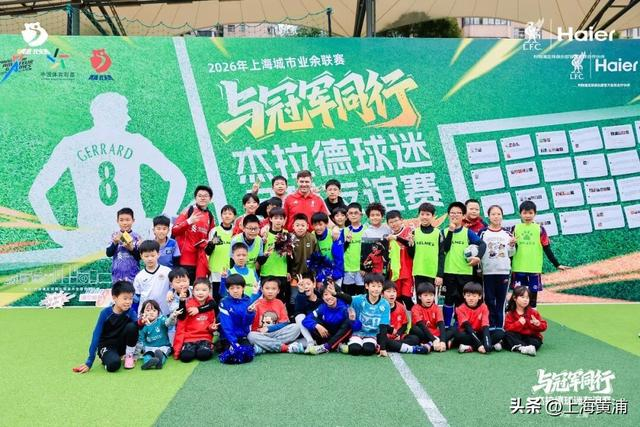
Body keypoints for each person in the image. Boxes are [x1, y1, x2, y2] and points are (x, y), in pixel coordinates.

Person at [510, 201, 570, 308]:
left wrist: (557, 264)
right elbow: (510, 249)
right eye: (524, 213)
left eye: (530, 213)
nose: (527, 216)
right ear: (520, 214)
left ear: (535, 214)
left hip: (534, 268)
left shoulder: (540, 230)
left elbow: (547, 248)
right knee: (518, 295)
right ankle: (517, 315)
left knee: (532, 295)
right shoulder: (515, 228)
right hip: (518, 267)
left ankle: (533, 314)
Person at [73, 280, 139, 373]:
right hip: (107, 346)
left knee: (133, 326)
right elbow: (96, 336)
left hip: (122, 345)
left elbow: (137, 329)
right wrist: (89, 361)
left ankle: (129, 356)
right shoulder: (105, 313)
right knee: (114, 365)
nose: (128, 302)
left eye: (130, 298)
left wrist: (142, 322)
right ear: (114, 298)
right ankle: (107, 358)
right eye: (125, 298)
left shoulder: (131, 312)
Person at [441, 201, 486, 327]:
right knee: (448, 299)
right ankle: (446, 326)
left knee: (462, 300)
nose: (455, 215)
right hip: (449, 272)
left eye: (458, 213)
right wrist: (451, 231)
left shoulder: (467, 232)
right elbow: (445, 248)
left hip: (465, 273)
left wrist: (478, 257)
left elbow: (482, 244)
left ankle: (459, 324)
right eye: (452, 213)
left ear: (463, 216)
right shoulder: (443, 232)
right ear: (448, 215)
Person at [478, 205, 515, 329]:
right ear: (488, 216)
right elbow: (477, 250)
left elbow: (511, 253)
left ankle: (500, 328)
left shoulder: (507, 234)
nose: (496, 216)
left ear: (502, 216)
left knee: (501, 301)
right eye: (493, 214)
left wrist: (512, 245)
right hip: (487, 272)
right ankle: (490, 327)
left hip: (503, 272)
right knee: (488, 300)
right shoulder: (483, 233)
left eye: (499, 214)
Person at [248, 277, 304, 354]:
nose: (270, 291)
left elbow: (284, 323)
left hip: (276, 333)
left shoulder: (279, 303)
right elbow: (248, 314)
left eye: (273, 289)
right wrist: (254, 296)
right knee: (251, 336)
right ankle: (285, 348)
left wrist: (269, 328)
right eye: (267, 288)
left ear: (278, 291)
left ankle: (264, 347)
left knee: (296, 327)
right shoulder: (256, 303)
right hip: (260, 334)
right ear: (262, 289)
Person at [172, 185, 216, 283]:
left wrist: (212, 243)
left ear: (210, 199)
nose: (202, 198)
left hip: (200, 261)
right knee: (183, 288)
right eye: (200, 195)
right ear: (195, 198)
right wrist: (188, 221)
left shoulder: (210, 216)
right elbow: (174, 230)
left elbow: (212, 237)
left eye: (205, 196)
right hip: (185, 259)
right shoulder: (189, 210)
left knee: (198, 288)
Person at [340, 273, 391, 356]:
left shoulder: (385, 304)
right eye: (373, 286)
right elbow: (348, 298)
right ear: (367, 286)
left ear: (382, 287)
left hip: (372, 334)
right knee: (355, 349)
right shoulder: (360, 299)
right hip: (358, 332)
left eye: (379, 286)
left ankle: (375, 346)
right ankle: (343, 346)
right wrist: (335, 293)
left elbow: (383, 327)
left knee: (368, 350)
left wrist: (383, 348)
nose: (376, 289)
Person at [217, 274, 261, 364]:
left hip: (242, 336)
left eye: (238, 287)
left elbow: (247, 323)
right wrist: (234, 342)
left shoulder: (248, 301)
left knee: (247, 357)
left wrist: (249, 313)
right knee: (231, 357)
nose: (235, 291)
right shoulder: (224, 303)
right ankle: (221, 344)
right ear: (227, 289)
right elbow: (227, 325)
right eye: (232, 288)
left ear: (243, 288)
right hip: (228, 337)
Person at [173, 279, 218, 362]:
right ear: (193, 291)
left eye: (204, 290)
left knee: (203, 355)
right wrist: (182, 301)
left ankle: (206, 348)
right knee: (186, 357)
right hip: (189, 338)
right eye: (197, 290)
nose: (200, 293)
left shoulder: (210, 306)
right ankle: (192, 349)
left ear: (209, 291)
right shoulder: (189, 304)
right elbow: (181, 317)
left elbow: (210, 325)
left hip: (205, 337)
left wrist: (212, 327)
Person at [379, 281, 429, 354]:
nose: (392, 294)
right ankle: (402, 347)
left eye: (394, 291)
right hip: (384, 336)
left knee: (415, 339)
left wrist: (399, 334)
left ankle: (392, 346)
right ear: (382, 294)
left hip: (398, 337)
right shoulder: (379, 307)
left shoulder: (401, 307)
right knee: (381, 339)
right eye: (388, 291)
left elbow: (404, 324)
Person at [453, 282, 504, 354]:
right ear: (464, 296)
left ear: (480, 296)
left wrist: (487, 344)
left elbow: (485, 326)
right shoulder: (460, 309)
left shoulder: (484, 307)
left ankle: (471, 347)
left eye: (474, 296)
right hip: (469, 333)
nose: (471, 298)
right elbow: (468, 328)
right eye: (468, 295)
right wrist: (479, 345)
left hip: (481, 333)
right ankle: (490, 346)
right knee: (458, 336)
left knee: (500, 333)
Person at [303, 283, 352, 355]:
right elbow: (305, 320)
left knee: (350, 321)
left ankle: (326, 347)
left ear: (336, 295)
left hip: (343, 336)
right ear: (322, 297)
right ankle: (337, 346)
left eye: (331, 294)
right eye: (325, 294)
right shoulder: (322, 307)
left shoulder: (344, 306)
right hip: (330, 335)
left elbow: (355, 326)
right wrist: (316, 325)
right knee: (314, 321)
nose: (329, 297)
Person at [410, 203, 445, 294]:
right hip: (418, 272)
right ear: (418, 215)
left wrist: (440, 275)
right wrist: (410, 244)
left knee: (431, 299)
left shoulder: (438, 233)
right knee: (420, 298)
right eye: (422, 214)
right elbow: (411, 254)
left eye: (428, 214)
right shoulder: (414, 232)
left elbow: (441, 255)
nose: (424, 217)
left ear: (433, 216)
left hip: (433, 274)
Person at [503, 286, 548, 356]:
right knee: (506, 335)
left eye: (527, 298)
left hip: (531, 337)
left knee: (535, 342)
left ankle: (517, 346)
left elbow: (544, 326)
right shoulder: (510, 314)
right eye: (522, 297)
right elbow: (507, 328)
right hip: (517, 336)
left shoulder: (533, 312)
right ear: (515, 298)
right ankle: (523, 348)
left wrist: (538, 324)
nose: (525, 300)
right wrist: (518, 323)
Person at [137, 299, 181, 370]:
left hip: (163, 346)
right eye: (148, 310)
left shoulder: (161, 319)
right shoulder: (143, 325)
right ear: (143, 313)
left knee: (162, 354)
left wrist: (172, 316)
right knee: (147, 354)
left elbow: (168, 323)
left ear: (158, 312)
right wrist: (140, 350)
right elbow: (141, 338)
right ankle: (147, 363)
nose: (151, 312)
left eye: (154, 310)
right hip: (149, 347)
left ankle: (159, 362)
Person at [205, 205, 236, 303]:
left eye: (230, 214)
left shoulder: (235, 231)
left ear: (234, 216)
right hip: (216, 271)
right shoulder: (215, 231)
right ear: (221, 216)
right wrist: (212, 244)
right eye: (225, 213)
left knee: (229, 299)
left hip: (231, 271)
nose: (227, 216)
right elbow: (207, 251)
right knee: (216, 298)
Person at [260, 207, 290, 306]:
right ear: (270, 219)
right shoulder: (265, 234)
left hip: (281, 273)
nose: (278, 221)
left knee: (280, 302)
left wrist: (289, 271)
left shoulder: (287, 234)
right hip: (266, 272)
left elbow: (290, 256)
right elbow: (260, 255)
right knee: (266, 302)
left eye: (281, 218)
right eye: (276, 218)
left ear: (284, 220)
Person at [133, 240, 172, 315]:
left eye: (153, 255)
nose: (150, 259)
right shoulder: (139, 276)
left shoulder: (167, 271)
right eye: (146, 256)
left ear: (158, 254)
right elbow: (136, 297)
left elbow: (174, 287)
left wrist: (171, 291)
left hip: (164, 313)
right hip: (146, 315)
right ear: (141, 256)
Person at [386, 210, 415, 309]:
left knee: (407, 298)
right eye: (391, 222)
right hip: (394, 274)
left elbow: (410, 245)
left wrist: (396, 238)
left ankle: (414, 318)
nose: (394, 224)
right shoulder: (388, 237)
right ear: (388, 224)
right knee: (397, 299)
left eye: (396, 221)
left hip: (407, 272)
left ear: (402, 220)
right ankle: (401, 318)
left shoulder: (409, 231)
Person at [409, 283, 451, 352]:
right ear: (419, 296)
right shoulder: (415, 308)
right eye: (425, 295)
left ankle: (430, 345)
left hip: (435, 334)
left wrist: (443, 341)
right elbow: (421, 326)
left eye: (431, 295)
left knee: (452, 329)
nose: (429, 298)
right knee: (414, 329)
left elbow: (441, 324)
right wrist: (434, 340)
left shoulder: (436, 308)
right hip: (423, 333)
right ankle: (439, 343)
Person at [288, 213, 319, 301]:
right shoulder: (289, 239)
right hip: (294, 275)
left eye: (303, 225)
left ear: (307, 226)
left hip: (309, 275)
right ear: (293, 226)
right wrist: (288, 272)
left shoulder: (312, 238)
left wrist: (315, 274)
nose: (300, 228)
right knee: (294, 298)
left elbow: (317, 256)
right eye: (297, 225)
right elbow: (286, 258)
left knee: (309, 297)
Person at [106, 207, 141, 283]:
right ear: (117, 221)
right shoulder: (114, 235)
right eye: (121, 220)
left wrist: (131, 249)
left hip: (134, 277)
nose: (124, 223)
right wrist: (115, 243)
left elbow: (140, 256)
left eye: (127, 220)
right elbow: (108, 253)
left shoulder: (137, 237)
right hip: (117, 277)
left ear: (133, 220)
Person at [342, 203, 366, 296]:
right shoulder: (344, 231)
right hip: (348, 269)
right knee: (349, 296)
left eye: (356, 213)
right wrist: (347, 242)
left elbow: (369, 251)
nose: (353, 215)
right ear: (347, 215)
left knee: (362, 296)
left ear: (361, 214)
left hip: (361, 270)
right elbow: (341, 250)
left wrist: (364, 268)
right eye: (351, 213)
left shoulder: (367, 230)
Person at [293, 273, 322, 347]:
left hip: (318, 330)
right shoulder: (300, 298)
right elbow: (298, 311)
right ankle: (310, 342)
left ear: (314, 284)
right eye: (302, 285)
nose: (305, 287)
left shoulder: (322, 298)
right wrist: (301, 292)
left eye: (308, 284)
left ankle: (313, 342)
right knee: (299, 315)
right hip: (304, 332)